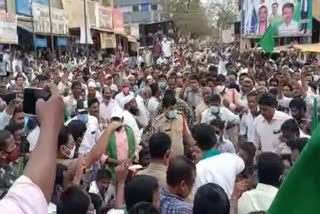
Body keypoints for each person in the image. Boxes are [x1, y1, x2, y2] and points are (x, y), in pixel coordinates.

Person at [0, 84, 65, 213]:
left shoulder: (9, 166)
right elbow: (30, 199)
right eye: (12, 146)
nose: (17, 148)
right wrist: (50, 125)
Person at [192, 124, 244, 198]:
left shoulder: (196, 170)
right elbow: (241, 165)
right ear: (215, 141)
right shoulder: (230, 159)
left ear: (196, 145)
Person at [152, 91, 194, 156]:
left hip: (180, 157)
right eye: (171, 109)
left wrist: (193, 148)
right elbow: (154, 143)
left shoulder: (180, 117)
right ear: (164, 109)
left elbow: (187, 135)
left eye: (175, 108)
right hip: (166, 160)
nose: (174, 111)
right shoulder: (157, 122)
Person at [106, 108, 139, 179]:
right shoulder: (106, 133)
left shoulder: (129, 131)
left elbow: (136, 149)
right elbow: (102, 155)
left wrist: (130, 159)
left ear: (122, 119)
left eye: (117, 119)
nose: (115, 122)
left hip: (129, 169)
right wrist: (117, 162)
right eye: (113, 119)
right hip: (112, 171)